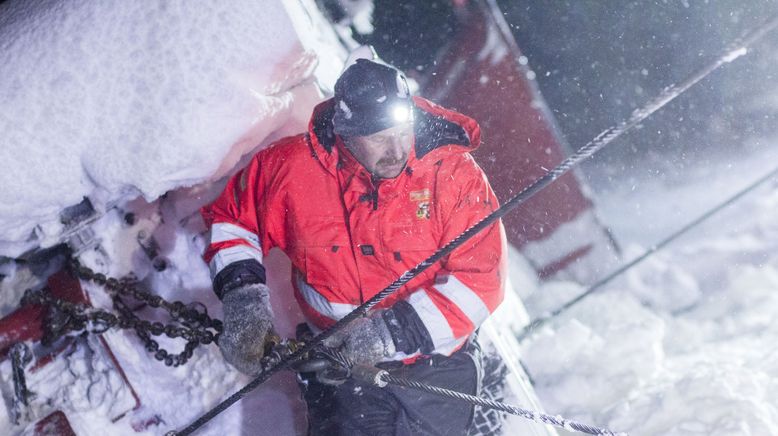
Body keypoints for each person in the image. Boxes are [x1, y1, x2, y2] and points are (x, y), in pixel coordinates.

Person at [201, 56, 507, 435]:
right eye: (380, 139)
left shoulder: (454, 177)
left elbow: (482, 281)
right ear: (345, 132)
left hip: (437, 368)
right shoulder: (289, 170)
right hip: (341, 367)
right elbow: (232, 220)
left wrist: (392, 332)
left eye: (402, 132)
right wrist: (242, 297)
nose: (397, 150)